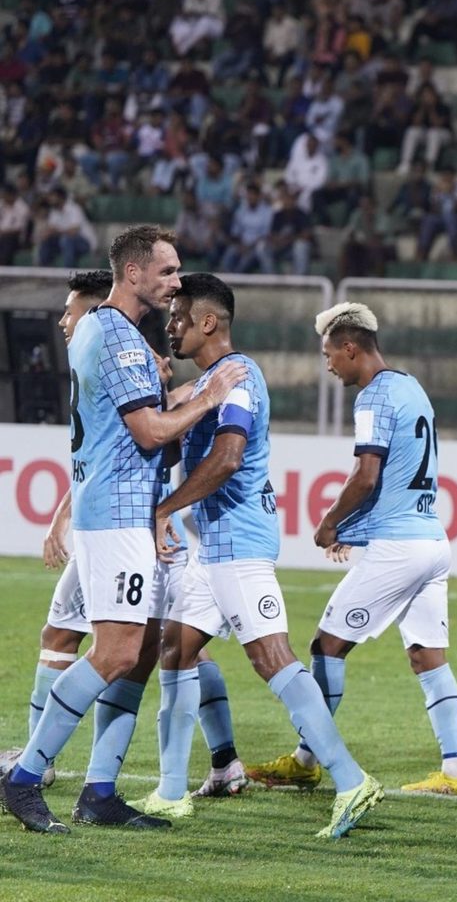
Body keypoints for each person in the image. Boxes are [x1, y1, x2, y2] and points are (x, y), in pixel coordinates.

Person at [1, 227, 246, 834]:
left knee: (129, 653)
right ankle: (26, 775)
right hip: (117, 514)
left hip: (117, 511)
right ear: (133, 273)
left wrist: (185, 393)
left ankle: (99, 792)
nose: (175, 283)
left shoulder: (100, 330)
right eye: (166, 272)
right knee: (113, 653)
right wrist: (211, 394)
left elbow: (143, 415)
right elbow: (150, 433)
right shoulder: (117, 335)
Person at [131, 275, 383, 840]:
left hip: (238, 543)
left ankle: (350, 778)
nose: (170, 326)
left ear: (208, 323)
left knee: (272, 658)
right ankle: (175, 791)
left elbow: (226, 459)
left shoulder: (238, 380)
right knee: (176, 649)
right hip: (212, 544)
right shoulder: (212, 382)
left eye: (177, 317)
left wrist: (164, 508)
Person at [246, 302, 457, 798]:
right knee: (427, 656)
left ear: (351, 348)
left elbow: (367, 475)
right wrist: (361, 528)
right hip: (432, 541)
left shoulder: (372, 397)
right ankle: (456, 771)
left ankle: (307, 759)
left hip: (401, 548)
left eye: (330, 354)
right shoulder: (412, 387)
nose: (328, 364)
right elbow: (400, 480)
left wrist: (331, 522)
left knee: (326, 646)